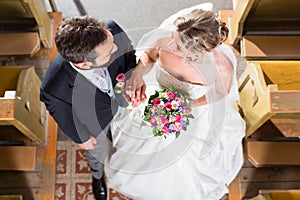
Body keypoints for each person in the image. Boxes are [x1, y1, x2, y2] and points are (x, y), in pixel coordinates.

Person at [106, 4, 245, 200]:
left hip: (196, 105)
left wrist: (190, 106)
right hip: (158, 91)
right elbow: (149, 55)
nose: (171, 45)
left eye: (178, 47)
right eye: (174, 38)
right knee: (143, 138)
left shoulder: (221, 68)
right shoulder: (167, 39)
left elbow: (220, 93)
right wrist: (137, 73)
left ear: (196, 54)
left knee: (184, 155)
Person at [40, 16, 136, 200]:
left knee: (122, 136)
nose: (115, 49)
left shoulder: (111, 31)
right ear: (83, 64)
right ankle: (98, 176)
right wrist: (82, 137)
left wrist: (132, 76)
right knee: (96, 153)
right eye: (109, 53)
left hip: (122, 103)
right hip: (94, 122)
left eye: (112, 43)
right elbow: (61, 113)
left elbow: (129, 52)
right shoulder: (54, 86)